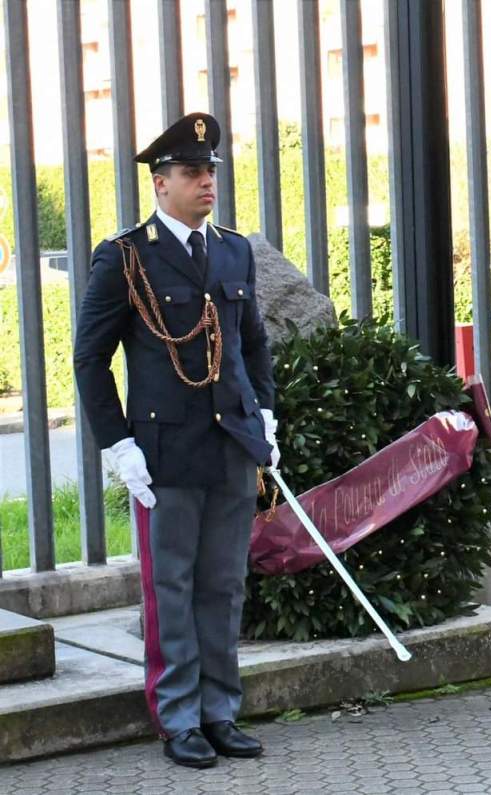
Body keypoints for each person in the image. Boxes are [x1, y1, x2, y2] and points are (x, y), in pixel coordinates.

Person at [74, 113, 279, 766]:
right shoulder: (127, 257)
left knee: (224, 585)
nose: (206, 183)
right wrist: (117, 443)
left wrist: (265, 415)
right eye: (192, 173)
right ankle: (179, 716)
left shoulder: (232, 251)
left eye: (210, 171)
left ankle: (220, 709)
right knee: (173, 589)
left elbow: (252, 344)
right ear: (160, 184)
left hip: (229, 447)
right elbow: (89, 358)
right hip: (164, 453)